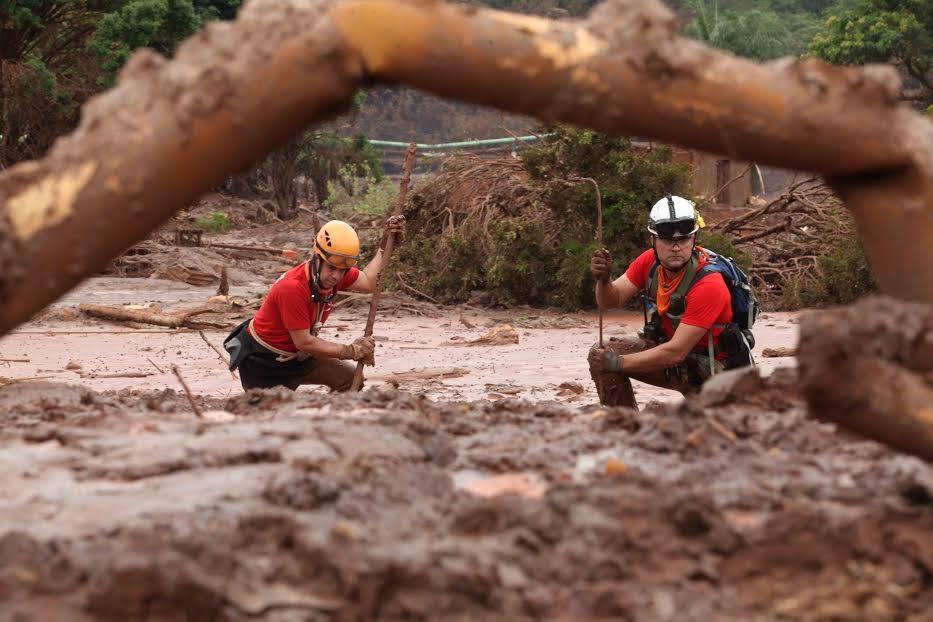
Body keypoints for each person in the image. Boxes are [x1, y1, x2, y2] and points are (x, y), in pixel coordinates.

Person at [587, 195, 744, 408]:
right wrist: (604, 280)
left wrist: (617, 363)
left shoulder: (710, 284)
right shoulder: (649, 262)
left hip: (716, 376)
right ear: (653, 239)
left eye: (684, 239)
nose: (676, 247)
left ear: (694, 239)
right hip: (677, 364)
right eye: (668, 240)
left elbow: (676, 351)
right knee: (601, 353)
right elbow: (610, 300)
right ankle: (623, 426)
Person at [224, 217, 404, 392]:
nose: (336, 277)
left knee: (349, 380)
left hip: (300, 356)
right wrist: (351, 351)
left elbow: (368, 282)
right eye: (332, 268)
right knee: (281, 415)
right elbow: (304, 342)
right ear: (316, 258)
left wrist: (384, 248)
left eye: (343, 271)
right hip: (264, 363)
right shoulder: (292, 288)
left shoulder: (333, 271)